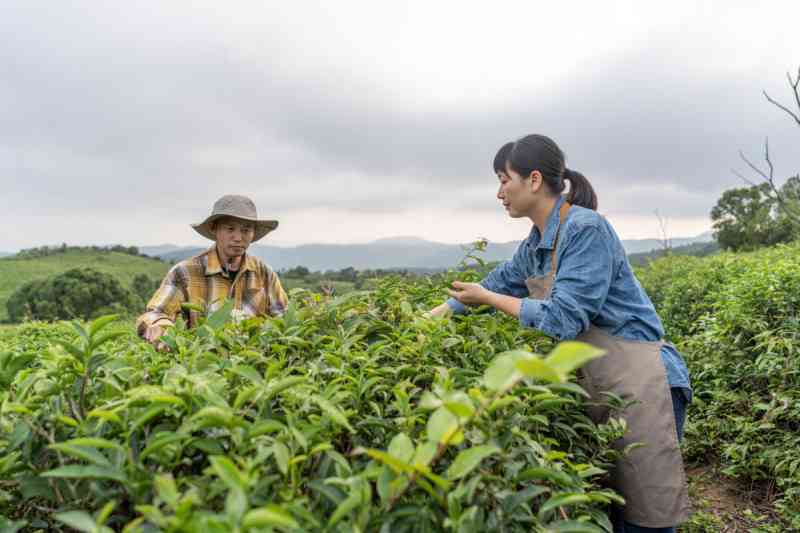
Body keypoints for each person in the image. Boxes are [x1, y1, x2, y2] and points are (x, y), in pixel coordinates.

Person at [428, 135, 692, 532]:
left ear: (533, 180)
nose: (499, 192)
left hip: (643, 383)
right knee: (613, 509)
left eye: (504, 179)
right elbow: (493, 283)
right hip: (600, 384)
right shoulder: (535, 244)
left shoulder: (586, 228)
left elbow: (564, 318)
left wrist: (489, 299)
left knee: (646, 518)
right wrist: (431, 317)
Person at [137, 194, 288, 348]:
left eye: (246, 230)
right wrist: (160, 325)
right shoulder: (185, 272)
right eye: (230, 229)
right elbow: (155, 313)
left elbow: (284, 320)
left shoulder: (264, 274)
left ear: (253, 233)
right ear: (214, 228)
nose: (238, 237)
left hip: (251, 360)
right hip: (201, 364)